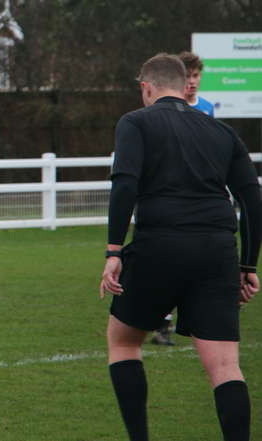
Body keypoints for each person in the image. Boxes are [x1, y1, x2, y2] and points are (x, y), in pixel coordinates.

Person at [100, 53, 259, 441]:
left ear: (146, 87)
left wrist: (114, 251)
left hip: (160, 244)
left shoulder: (135, 122)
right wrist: (247, 266)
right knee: (224, 366)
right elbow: (252, 199)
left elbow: (125, 184)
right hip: (217, 250)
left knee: (122, 341)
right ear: (184, 85)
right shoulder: (221, 132)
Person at [150, 51, 217, 346]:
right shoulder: (161, 111)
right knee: (166, 262)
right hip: (169, 199)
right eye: (187, 77)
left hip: (199, 201)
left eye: (196, 77)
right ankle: (161, 322)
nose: (192, 83)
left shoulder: (206, 108)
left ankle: (189, 319)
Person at [179, 51, 215, 117]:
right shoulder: (172, 107)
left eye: (195, 75)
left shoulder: (208, 107)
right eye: (187, 76)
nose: (192, 81)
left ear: (200, 76)